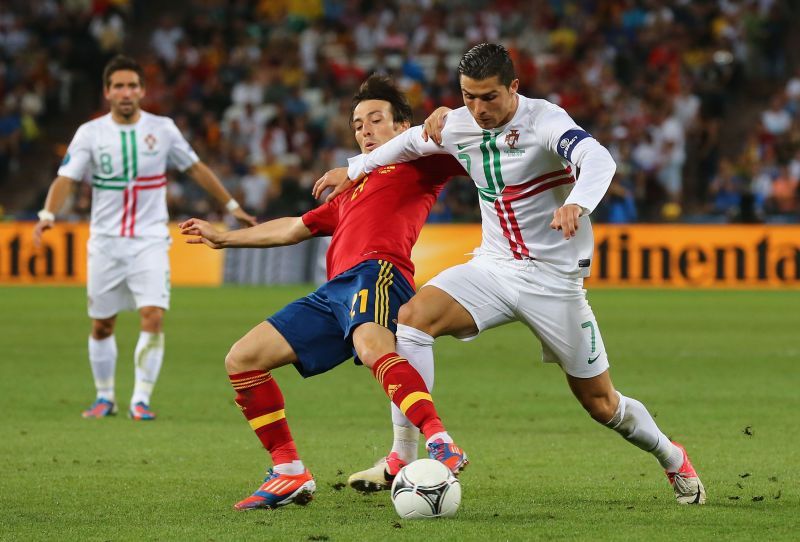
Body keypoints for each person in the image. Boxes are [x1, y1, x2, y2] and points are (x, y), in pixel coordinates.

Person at [324, 43, 705, 505]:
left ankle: (672, 457)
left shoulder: (546, 120)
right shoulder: (458, 123)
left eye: (489, 97)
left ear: (514, 88)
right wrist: (355, 167)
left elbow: (599, 160)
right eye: (468, 96)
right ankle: (405, 456)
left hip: (554, 284)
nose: (478, 109)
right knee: (411, 320)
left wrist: (576, 202)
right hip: (493, 268)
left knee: (601, 404)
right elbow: (406, 144)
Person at [178, 75, 468, 510]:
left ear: (401, 125)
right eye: (357, 125)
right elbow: (294, 227)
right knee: (242, 359)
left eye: (375, 120)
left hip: (378, 272)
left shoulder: (419, 162)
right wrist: (224, 238)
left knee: (373, 346)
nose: (365, 130)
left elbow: (459, 133)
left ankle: (440, 441)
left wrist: (443, 117)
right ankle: (289, 471)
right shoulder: (350, 188)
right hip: (332, 292)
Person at [33, 55, 256, 421]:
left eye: (132, 86)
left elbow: (196, 167)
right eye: (118, 86)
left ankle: (141, 399)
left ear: (142, 90)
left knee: (152, 316)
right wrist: (47, 214)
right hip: (105, 243)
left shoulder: (163, 129)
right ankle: (105, 397)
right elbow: (66, 178)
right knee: (102, 323)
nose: (125, 92)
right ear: (107, 92)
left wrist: (231, 204)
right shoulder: (91, 133)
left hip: (150, 240)